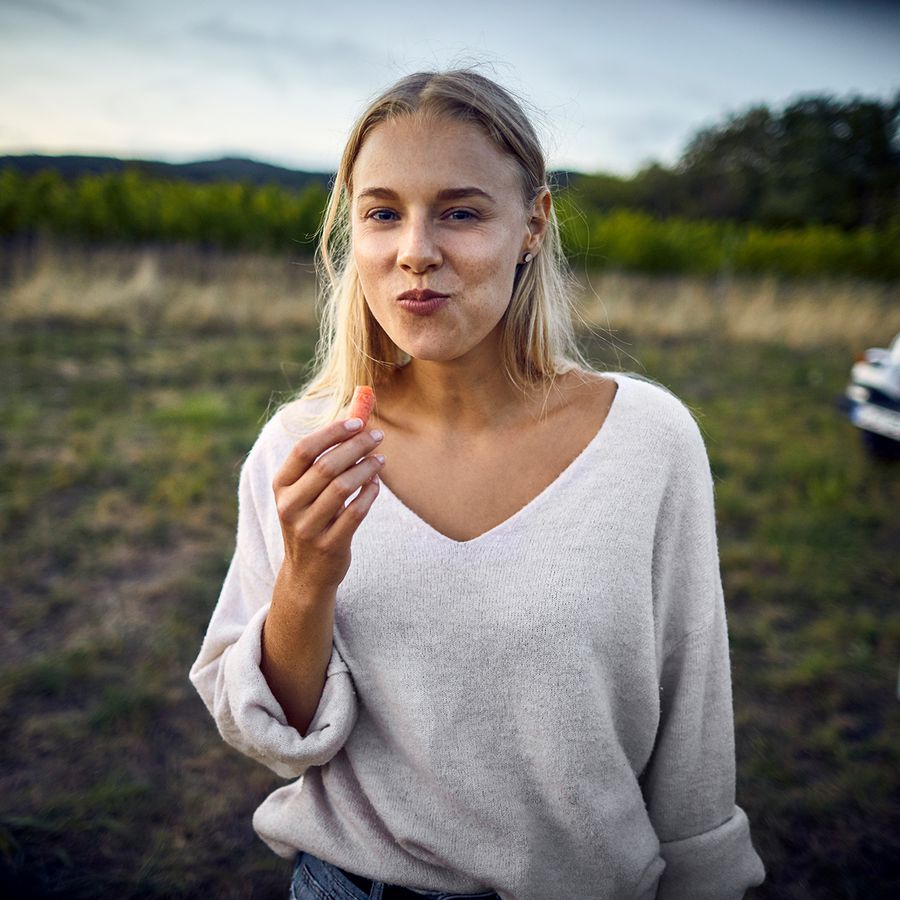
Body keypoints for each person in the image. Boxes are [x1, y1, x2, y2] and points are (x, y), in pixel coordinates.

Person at [189, 69, 766, 900]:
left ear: (533, 226)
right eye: (383, 212)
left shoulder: (648, 442)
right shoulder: (301, 449)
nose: (415, 250)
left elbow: (695, 728)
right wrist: (308, 575)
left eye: (460, 211)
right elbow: (276, 739)